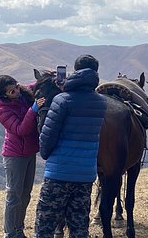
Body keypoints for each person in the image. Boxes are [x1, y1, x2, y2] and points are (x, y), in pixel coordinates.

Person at [34, 55, 107, 238]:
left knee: (45, 226)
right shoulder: (101, 103)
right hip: (85, 175)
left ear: (75, 70)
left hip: (59, 173)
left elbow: (47, 136)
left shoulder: (62, 100)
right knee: (79, 227)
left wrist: (45, 153)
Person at [0, 74, 45, 238]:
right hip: (15, 155)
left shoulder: (24, 93)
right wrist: (33, 110)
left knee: (25, 194)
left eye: (15, 87)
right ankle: (9, 233)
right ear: (4, 95)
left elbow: (36, 84)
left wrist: (48, 77)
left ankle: (18, 229)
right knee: (14, 194)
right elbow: (20, 130)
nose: (15, 91)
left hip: (29, 152)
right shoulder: (2, 110)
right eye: (11, 91)